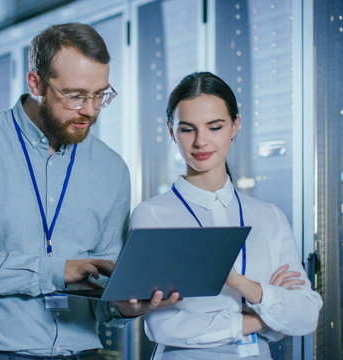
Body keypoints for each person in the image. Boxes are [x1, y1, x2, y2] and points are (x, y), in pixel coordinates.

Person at [0, 22, 178, 360]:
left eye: (100, 95)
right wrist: (54, 271)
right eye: (74, 96)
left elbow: (103, 284)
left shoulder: (112, 169)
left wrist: (123, 306)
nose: (89, 110)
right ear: (36, 83)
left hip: (82, 353)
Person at [129, 72, 323, 359]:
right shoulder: (153, 215)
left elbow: (306, 315)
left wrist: (239, 283)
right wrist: (261, 317)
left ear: (235, 125)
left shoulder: (268, 217)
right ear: (172, 131)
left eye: (214, 127)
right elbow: (163, 326)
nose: (201, 142)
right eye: (187, 129)